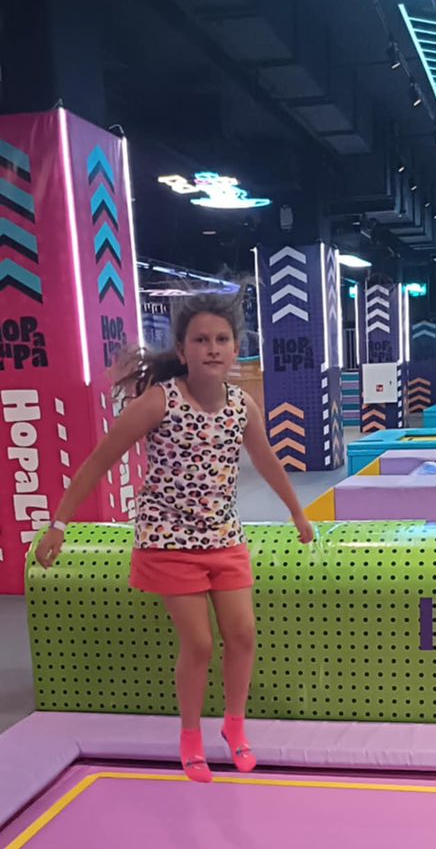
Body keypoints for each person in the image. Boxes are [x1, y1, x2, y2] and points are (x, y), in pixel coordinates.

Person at [36, 290, 314, 783]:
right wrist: (60, 523)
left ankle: (234, 725)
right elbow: (100, 461)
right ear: (182, 351)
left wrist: (298, 513)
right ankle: (189, 736)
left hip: (224, 537)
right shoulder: (160, 401)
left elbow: (267, 461)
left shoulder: (241, 406)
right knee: (199, 643)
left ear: (236, 349)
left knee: (243, 633)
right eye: (201, 340)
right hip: (169, 540)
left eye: (222, 339)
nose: (212, 348)